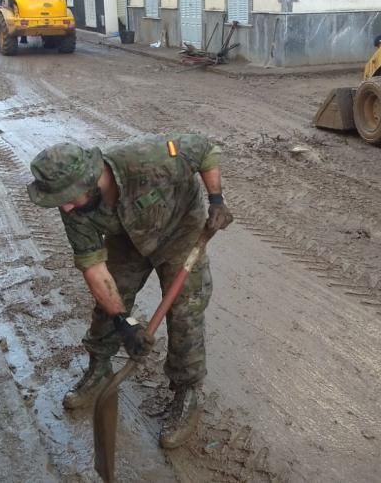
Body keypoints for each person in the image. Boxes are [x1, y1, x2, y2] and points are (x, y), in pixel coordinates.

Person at [27, 134, 233, 449]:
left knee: (184, 309)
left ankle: (187, 391)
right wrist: (124, 321)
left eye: (70, 197)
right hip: (126, 237)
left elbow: (205, 150)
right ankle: (98, 369)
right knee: (109, 303)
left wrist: (216, 199)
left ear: (92, 180)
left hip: (179, 227)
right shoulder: (72, 208)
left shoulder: (150, 159)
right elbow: (95, 269)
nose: (65, 207)